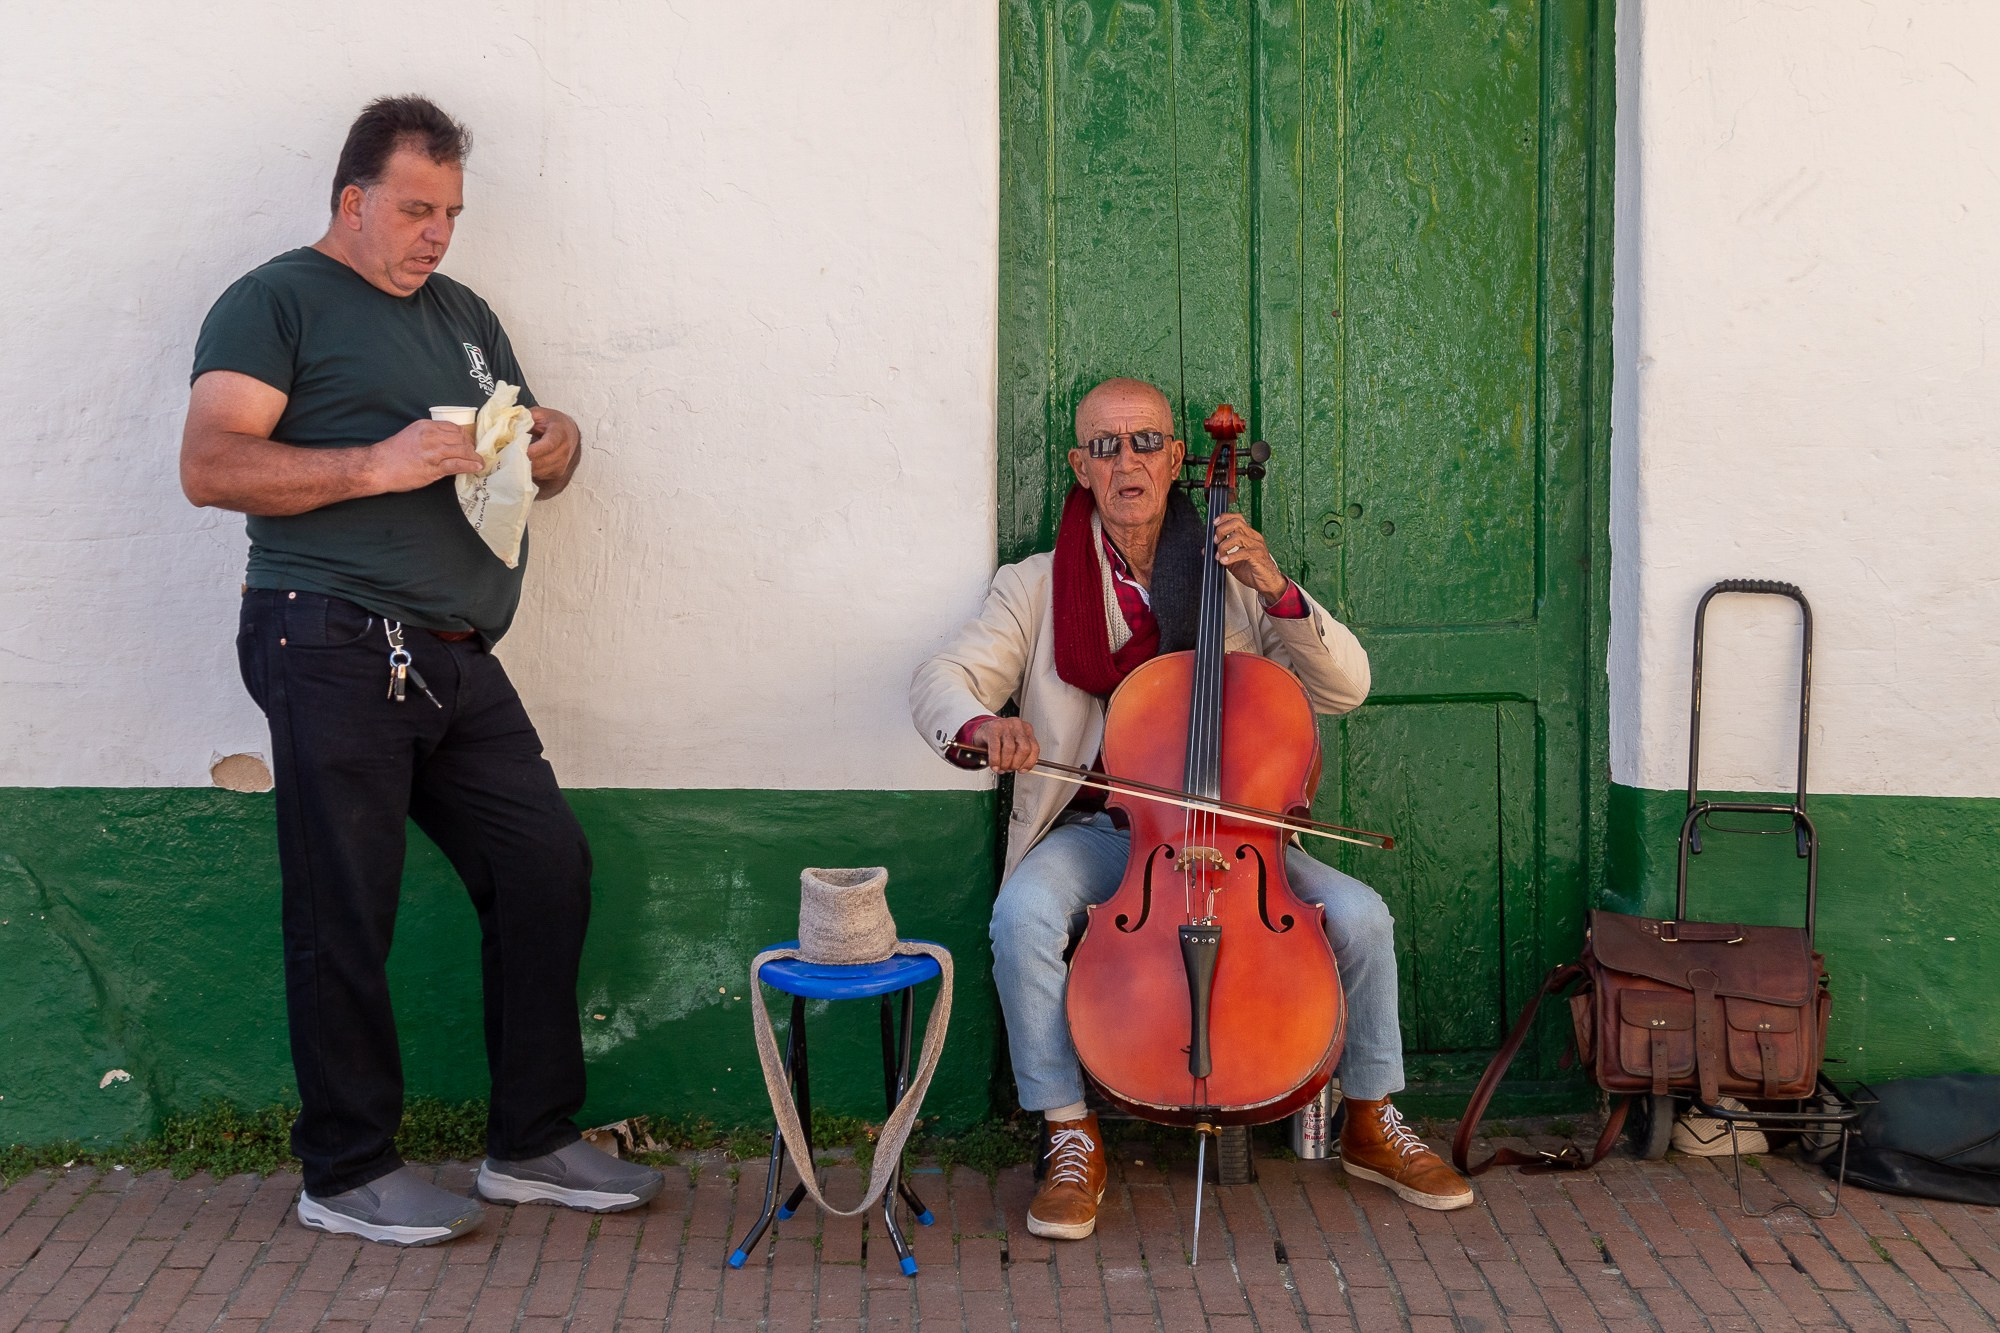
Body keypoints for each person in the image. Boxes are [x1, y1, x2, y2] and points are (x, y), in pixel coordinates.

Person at [180, 95, 661, 1246]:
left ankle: (530, 1142)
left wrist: (558, 443)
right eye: (413, 207)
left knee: (545, 865)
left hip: (452, 654)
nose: (436, 232)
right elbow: (210, 465)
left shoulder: (463, 315)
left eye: (449, 210)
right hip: (329, 635)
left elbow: (526, 458)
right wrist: (377, 463)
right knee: (346, 905)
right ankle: (344, 1169)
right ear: (353, 201)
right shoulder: (274, 300)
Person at [911, 377, 1475, 1240]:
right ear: (1078, 466)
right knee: (1021, 913)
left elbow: (1347, 687)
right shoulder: (1032, 587)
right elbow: (939, 681)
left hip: (1240, 834)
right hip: (1105, 834)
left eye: (1144, 442)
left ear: (1179, 459)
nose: (1126, 460)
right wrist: (986, 724)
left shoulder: (1233, 572)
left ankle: (1370, 1115)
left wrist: (1277, 586)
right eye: (1104, 445)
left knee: (1364, 916)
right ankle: (1068, 1132)